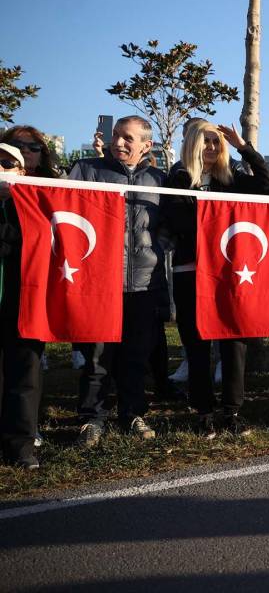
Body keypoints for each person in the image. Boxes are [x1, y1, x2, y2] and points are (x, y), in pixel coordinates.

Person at [164, 120, 269, 438]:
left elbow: (267, 186)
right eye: (206, 141)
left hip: (230, 276)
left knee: (234, 345)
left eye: (217, 142)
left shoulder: (233, 178)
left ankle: (232, 412)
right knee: (197, 345)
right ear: (193, 144)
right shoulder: (178, 178)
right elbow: (182, 224)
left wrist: (243, 147)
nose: (212, 147)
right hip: (191, 274)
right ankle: (204, 412)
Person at [70, 116, 168, 447]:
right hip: (99, 283)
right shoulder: (86, 171)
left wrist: (158, 249)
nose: (119, 142)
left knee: (136, 355)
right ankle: (91, 418)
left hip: (144, 284)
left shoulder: (158, 179)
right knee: (97, 358)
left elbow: (166, 227)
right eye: (116, 136)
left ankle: (132, 413)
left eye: (128, 138)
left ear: (146, 145)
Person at [0, 144, 45, 468]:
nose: (1, 169)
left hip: (24, 305)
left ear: (22, 172)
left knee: (25, 374)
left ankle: (21, 447)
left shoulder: (33, 205)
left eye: (7, 163)